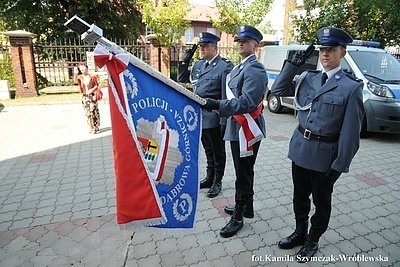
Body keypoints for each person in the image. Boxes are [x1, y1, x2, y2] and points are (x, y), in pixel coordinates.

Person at [271, 27, 364, 262]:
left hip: (325, 158)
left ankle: (312, 240)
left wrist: (339, 165)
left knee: (321, 204)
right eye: (323, 49)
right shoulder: (308, 78)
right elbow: (278, 90)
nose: (325, 54)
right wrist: (292, 65)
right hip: (300, 150)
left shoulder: (351, 88)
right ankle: (299, 232)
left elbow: (351, 134)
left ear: (342, 53)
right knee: (299, 198)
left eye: (331, 50)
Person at [203, 25, 267, 238]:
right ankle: (246, 207)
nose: (241, 43)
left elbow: (247, 102)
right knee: (244, 171)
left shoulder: (255, 69)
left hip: (247, 129)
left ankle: (239, 216)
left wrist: (216, 105)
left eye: (246, 41)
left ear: (255, 45)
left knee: (244, 173)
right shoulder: (240, 68)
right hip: (237, 127)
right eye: (239, 40)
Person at [178, 32, 234, 198]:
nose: (201, 49)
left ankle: (218, 181)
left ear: (214, 47)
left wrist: (224, 121)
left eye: (204, 46)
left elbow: (225, 95)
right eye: (200, 46)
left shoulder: (224, 66)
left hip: (215, 117)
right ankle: (210, 178)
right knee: (208, 150)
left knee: (218, 152)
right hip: (199, 117)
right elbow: (182, 78)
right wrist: (184, 61)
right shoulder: (198, 65)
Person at [74, 62, 101, 134]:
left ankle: (96, 127)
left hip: (92, 96)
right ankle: (91, 127)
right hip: (85, 97)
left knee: (94, 110)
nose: (82, 69)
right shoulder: (80, 77)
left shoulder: (92, 76)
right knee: (88, 112)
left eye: (83, 68)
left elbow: (96, 85)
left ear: (86, 68)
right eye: (81, 69)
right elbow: (75, 81)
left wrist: (91, 90)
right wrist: (75, 73)